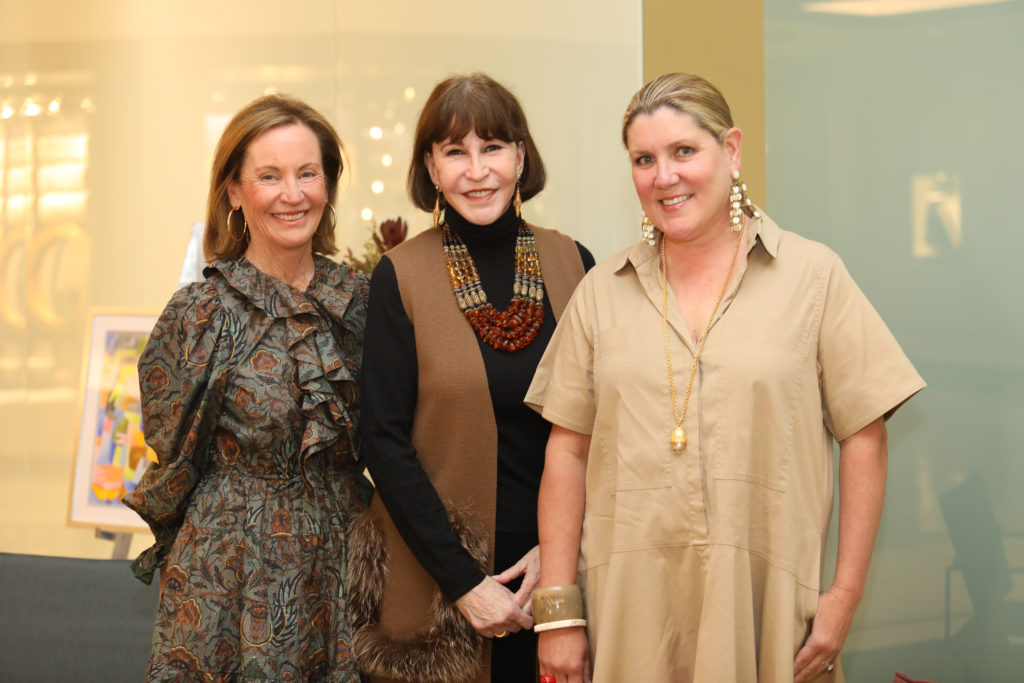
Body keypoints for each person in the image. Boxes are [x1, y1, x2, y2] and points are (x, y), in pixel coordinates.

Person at [524, 73, 926, 683]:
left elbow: (864, 438)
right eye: (644, 159)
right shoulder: (600, 293)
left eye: (685, 151)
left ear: (731, 150)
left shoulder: (813, 276)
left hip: (770, 618)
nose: (665, 176)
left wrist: (843, 598)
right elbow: (567, 454)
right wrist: (558, 615)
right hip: (626, 619)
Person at [347, 73, 595, 683]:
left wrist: (559, 552)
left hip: (559, 575)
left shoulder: (575, 262)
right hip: (439, 584)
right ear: (430, 168)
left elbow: (608, 427)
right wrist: (465, 582)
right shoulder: (398, 277)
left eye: (493, 147)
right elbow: (383, 440)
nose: (477, 170)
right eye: (455, 151)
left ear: (521, 156)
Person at [124, 93, 371, 681]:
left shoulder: (364, 303)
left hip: (347, 570)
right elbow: (173, 462)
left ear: (328, 185)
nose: (293, 194)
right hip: (227, 579)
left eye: (307, 173)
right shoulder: (199, 314)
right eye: (270, 176)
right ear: (234, 191)